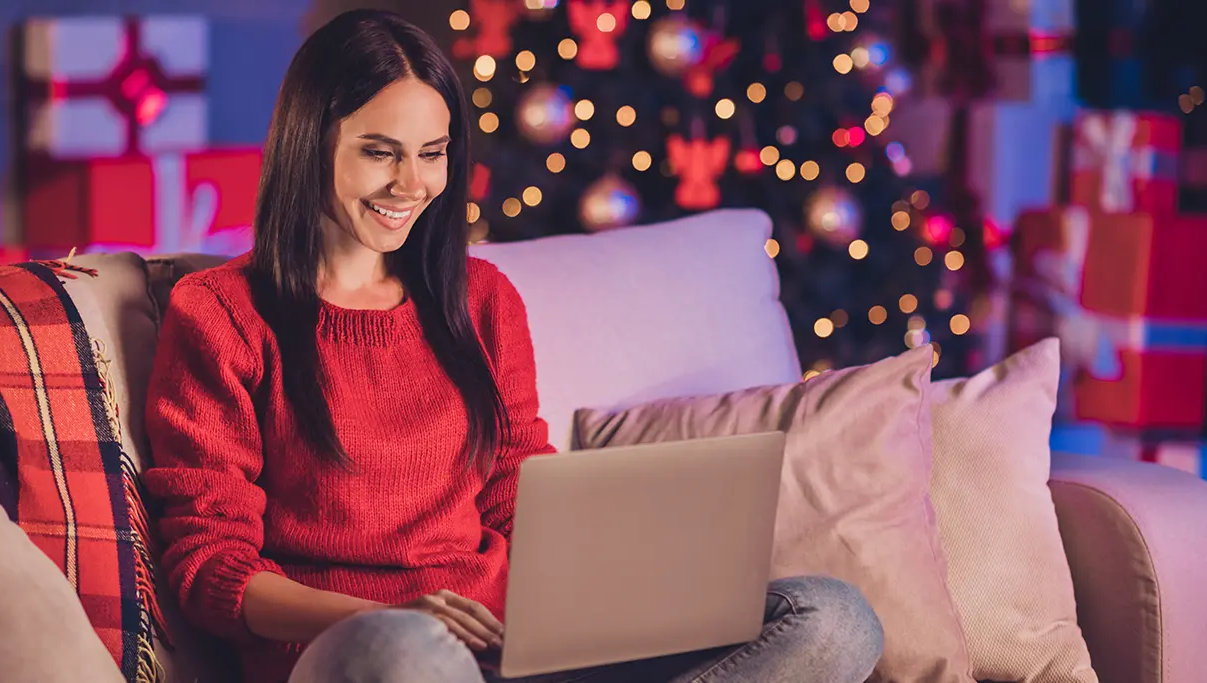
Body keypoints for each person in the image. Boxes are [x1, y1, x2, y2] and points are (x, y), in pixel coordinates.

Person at [144, 9, 884, 683]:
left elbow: (514, 492)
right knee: (404, 651)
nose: (412, 183)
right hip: (357, 651)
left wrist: (618, 595)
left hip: (509, 645)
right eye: (380, 152)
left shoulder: (481, 298)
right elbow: (213, 568)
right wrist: (377, 616)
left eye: (432, 152)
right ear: (311, 144)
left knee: (832, 616)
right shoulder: (221, 314)